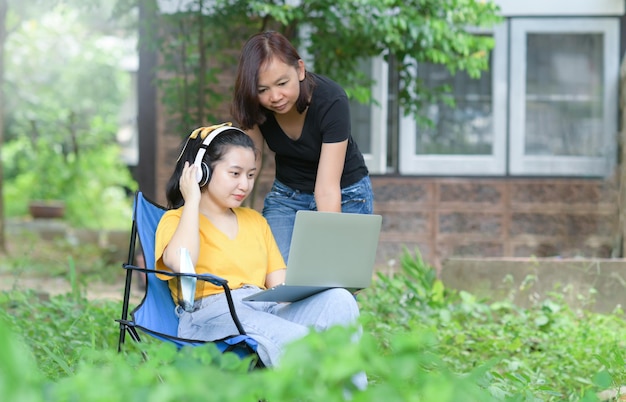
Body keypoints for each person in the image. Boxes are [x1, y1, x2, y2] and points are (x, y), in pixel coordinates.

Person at [154, 123, 363, 374]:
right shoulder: (176, 220)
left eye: (251, 175)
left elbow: (280, 287)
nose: (245, 184)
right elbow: (181, 261)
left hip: (263, 306)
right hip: (211, 314)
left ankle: (351, 392)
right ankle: (323, 375)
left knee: (339, 299)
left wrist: (322, 280)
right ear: (202, 173)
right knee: (302, 340)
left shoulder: (255, 221)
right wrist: (192, 201)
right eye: (235, 173)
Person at [231, 31, 374, 262]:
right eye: (262, 90)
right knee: (278, 274)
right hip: (288, 195)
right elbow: (248, 164)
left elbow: (327, 189)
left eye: (282, 83)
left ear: (299, 69)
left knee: (334, 280)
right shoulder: (254, 106)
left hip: (344, 193)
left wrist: (331, 256)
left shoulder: (331, 100)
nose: (275, 96)